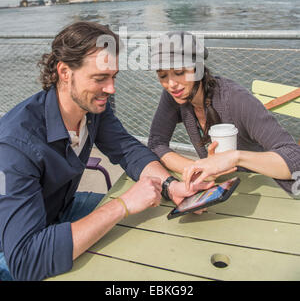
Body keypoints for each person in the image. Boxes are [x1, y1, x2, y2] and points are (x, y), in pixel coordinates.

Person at [0, 22, 212, 281]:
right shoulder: (15, 144)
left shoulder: (91, 107)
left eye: (113, 77)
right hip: (13, 244)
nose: (111, 89)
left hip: (61, 209)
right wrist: (122, 205)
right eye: (100, 78)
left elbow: (126, 149)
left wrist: (170, 185)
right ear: (65, 72)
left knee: (156, 216)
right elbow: (26, 260)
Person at [148, 31, 300, 195]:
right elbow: (156, 143)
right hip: (224, 189)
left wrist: (235, 158)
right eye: (162, 75)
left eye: (179, 73)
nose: (171, 84)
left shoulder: (236, 99)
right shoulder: (175, 95)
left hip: (267, 188)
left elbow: (294, 158)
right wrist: (196, 168)